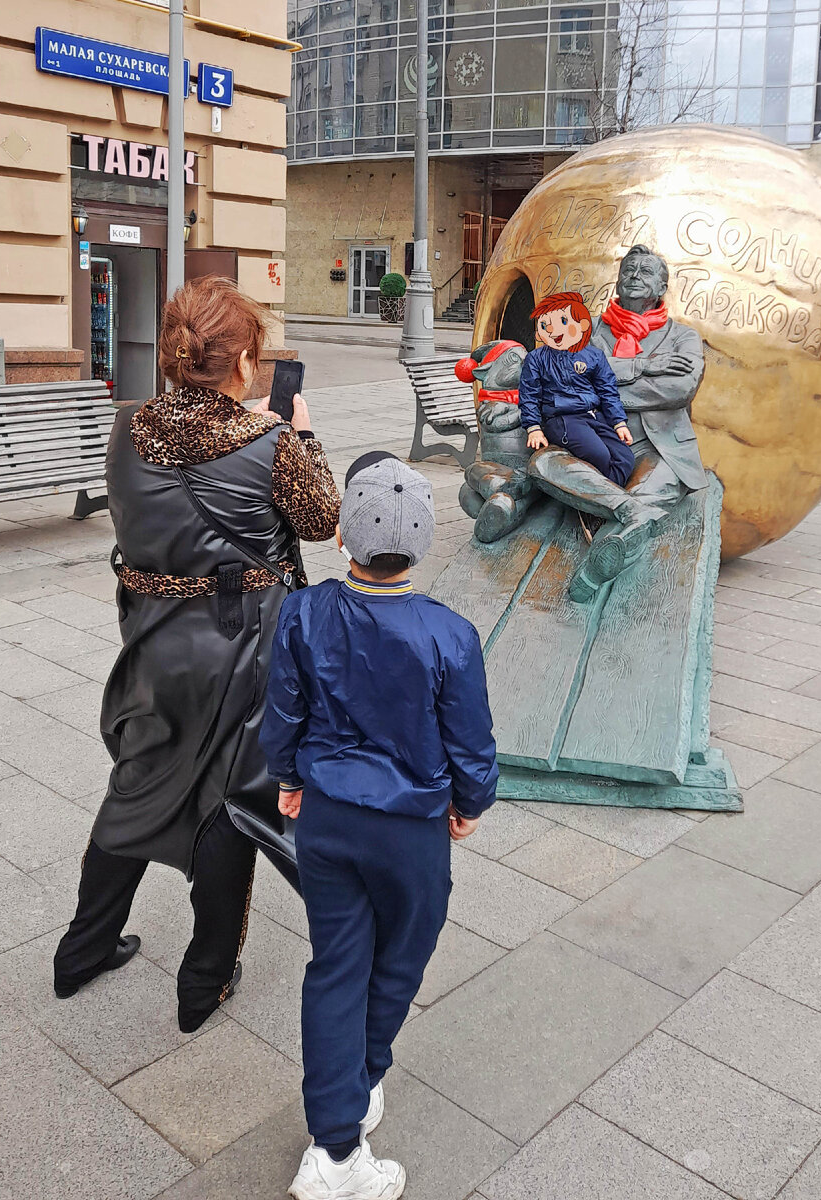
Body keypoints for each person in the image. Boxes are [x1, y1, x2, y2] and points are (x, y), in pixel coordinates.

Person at [52, 275, 341, 1034]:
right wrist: (301, 431)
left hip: (152, 641)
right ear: (242, 360)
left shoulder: (128, 427)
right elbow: (323, 521)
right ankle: (202, 983)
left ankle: (80, 952)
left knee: (137, 782)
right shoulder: (271, 442)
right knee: (226, 804)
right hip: (241, 647)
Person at [261, 452, 499, 1200]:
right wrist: (470, 802)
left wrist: (292, 779)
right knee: (400, 956)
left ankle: (338, 1130)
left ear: (341, 536)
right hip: (410, 827)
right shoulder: (448, 634)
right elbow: (472, 742)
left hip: (328, 819)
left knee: (335, 964)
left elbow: (283, 713)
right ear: (425, 543)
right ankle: (349, 1112)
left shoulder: (305, 613)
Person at [526, 246, 708, 600]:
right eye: (629, 269)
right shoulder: (581, 327)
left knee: (655, 487)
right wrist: (644, 367)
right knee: (544, 462)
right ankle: (630, 516)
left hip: (658, 447)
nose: (635, 275)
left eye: (645, 271)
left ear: (662, 286)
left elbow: (680, 388)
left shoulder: (684, 338)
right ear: (618, 280)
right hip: (585, 440)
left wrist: (599, 380)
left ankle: (606, 556)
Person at [517, 291, 634, 488]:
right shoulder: (536, 359)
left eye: (562, 321)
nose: (553, 331)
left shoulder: (594, 356)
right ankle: (603, 501)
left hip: (594, 416)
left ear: (582, 326)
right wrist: (533, 428)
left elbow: (608, 390)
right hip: (562, 419)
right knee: (598, 454)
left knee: (625, 458)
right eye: (545, 325)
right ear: (538, 332)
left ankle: (598, 499)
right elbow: (529, 394)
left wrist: (619, 423)